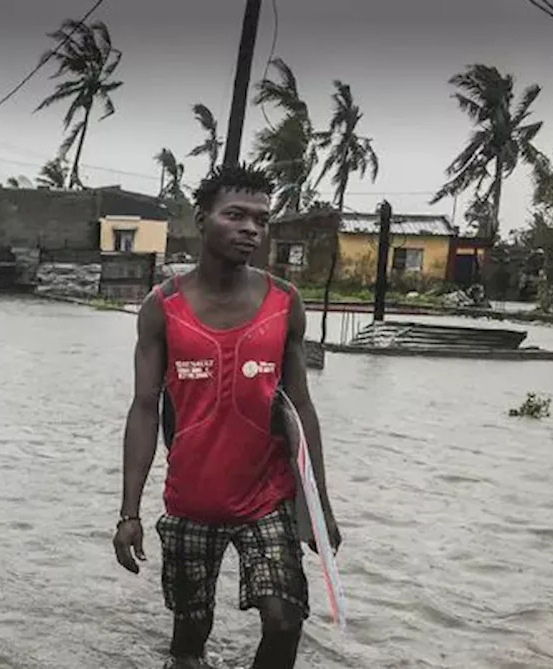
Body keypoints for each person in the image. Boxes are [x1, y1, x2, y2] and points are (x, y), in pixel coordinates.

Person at [111, 164, 341, 669]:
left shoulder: (285, 302)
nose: (250, 229)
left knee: (285, 619)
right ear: (202, 220)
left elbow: (301, 407)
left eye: (260, 220)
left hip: (268, 496)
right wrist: (129, 514)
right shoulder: (161, 307)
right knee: (190, 643)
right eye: (235, 215)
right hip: (193, 499)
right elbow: (145, 409)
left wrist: (317, 504)